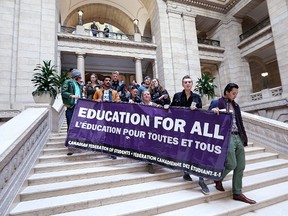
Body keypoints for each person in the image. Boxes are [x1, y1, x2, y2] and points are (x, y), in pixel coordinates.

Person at [209, 83, 256, 204]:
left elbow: (240, 122)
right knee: (232, 163)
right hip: (226, 137)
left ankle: (237, 192)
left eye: (236, 93)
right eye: (233, 93)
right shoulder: (217, 102)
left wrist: (244, 138)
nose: (235, 96)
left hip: (238, 136)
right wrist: (212, 112)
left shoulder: (236, 105)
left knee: (241, 166)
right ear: (227, 92)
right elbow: (207, 119)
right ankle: (217, 177)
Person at [170, 75, 209, 195]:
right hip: (181, 129)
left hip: (194, 130)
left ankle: (201, 179)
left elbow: (202, 113)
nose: (187, 84)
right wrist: (167, 107)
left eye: (189, 82)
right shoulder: (177, 96)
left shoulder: (197, 97)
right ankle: (186, 172)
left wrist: (196, 109)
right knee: (184, 151)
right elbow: (172, 110)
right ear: (182, 84)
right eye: (185, 82)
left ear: (192, 84)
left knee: (197, 152)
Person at [93, 76, 121, 159]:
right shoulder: (98, 91)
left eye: (109, 80)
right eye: (106, 80)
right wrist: (96, 101)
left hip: (111, 114)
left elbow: (119, 100)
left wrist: (116, 101)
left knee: (111, 132)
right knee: (103, 131)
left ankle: (112, 150)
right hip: (101, 114)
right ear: (103, 82)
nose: (108, 81)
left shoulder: (114, 92)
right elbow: (93, 100)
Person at [61, 69, 83, 156]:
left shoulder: (79, 84)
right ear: (76, 76)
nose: (80, 77)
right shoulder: (68, 82)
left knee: (77, 126)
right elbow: (63, 92)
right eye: (79, 76)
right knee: (70, 127)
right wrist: (72, 96)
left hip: (78, 108)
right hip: (71, 108)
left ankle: (77, 143)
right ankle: (70, 146)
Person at [140, 90, 161, 174]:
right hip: (144, 130)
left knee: (154, 146)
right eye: (144, 94)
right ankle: (150, 163)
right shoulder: (139, 105)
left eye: (148, 94)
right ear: (142, 96)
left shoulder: (155, 105)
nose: (146, 95)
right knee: (147, 146)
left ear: (150, 96)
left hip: (154, 130)